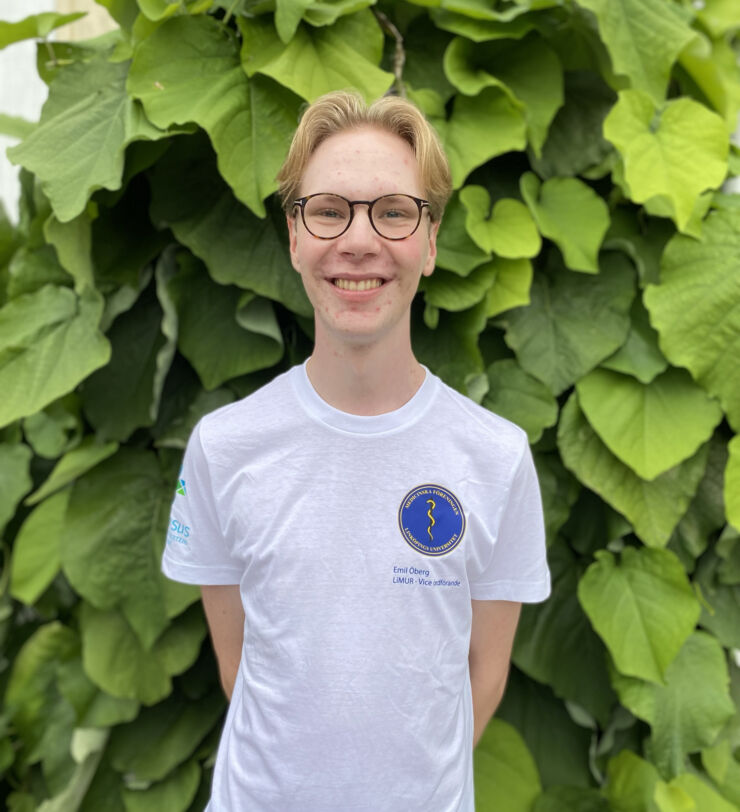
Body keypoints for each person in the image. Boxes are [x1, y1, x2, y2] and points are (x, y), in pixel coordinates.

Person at [162, 90, 551, 812]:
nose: (359, 241)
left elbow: (483, 676)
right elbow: (240, 666)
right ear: (294, 238)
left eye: (394, 211)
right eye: (330, 210)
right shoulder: (224, 447)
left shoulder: (497, 457)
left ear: (431, 242)